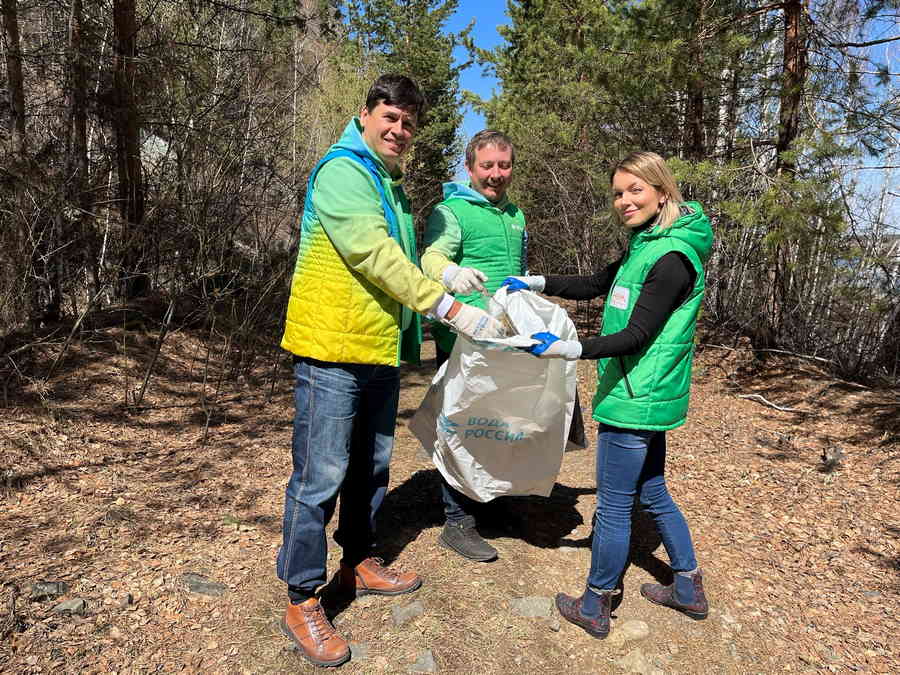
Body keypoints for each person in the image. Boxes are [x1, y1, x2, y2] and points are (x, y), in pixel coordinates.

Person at [277, 74, 505, 668]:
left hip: (375, 348)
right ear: (366, 114)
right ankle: (302, 596)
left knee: (370, 468)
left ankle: (358, 559)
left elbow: (408, 259)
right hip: (331, 348)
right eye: (390, 118)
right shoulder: (343, 172)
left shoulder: (390, 183)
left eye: (408, 123)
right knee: (319, 476)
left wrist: (436, 290)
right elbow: (373, 256)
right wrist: (447, 305)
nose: (399, 131)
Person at [502, 151, 713, 639]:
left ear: (662, 191)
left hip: (636, 396)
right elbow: (600, 283)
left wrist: (565, 349)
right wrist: (536, 282)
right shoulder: (647, 245)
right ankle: (687, 586)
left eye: (635, 190)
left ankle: (596, 603)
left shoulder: (672, 259)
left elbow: (635, 335)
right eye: (618, 193)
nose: (625, 201)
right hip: (646, 393)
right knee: (652, 491)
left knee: (616, 506)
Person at [420, 130, 526, 562]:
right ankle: (457, 520)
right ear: (470, 168)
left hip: (506, 338)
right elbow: (429, 258)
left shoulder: (516, 214)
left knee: (499, 425)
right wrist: (450, 274)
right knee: (461, 426)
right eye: (487, 166)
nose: (496, 175)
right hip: (463, 339)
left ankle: (489, 504)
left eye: (504, 165)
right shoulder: (452, 211)